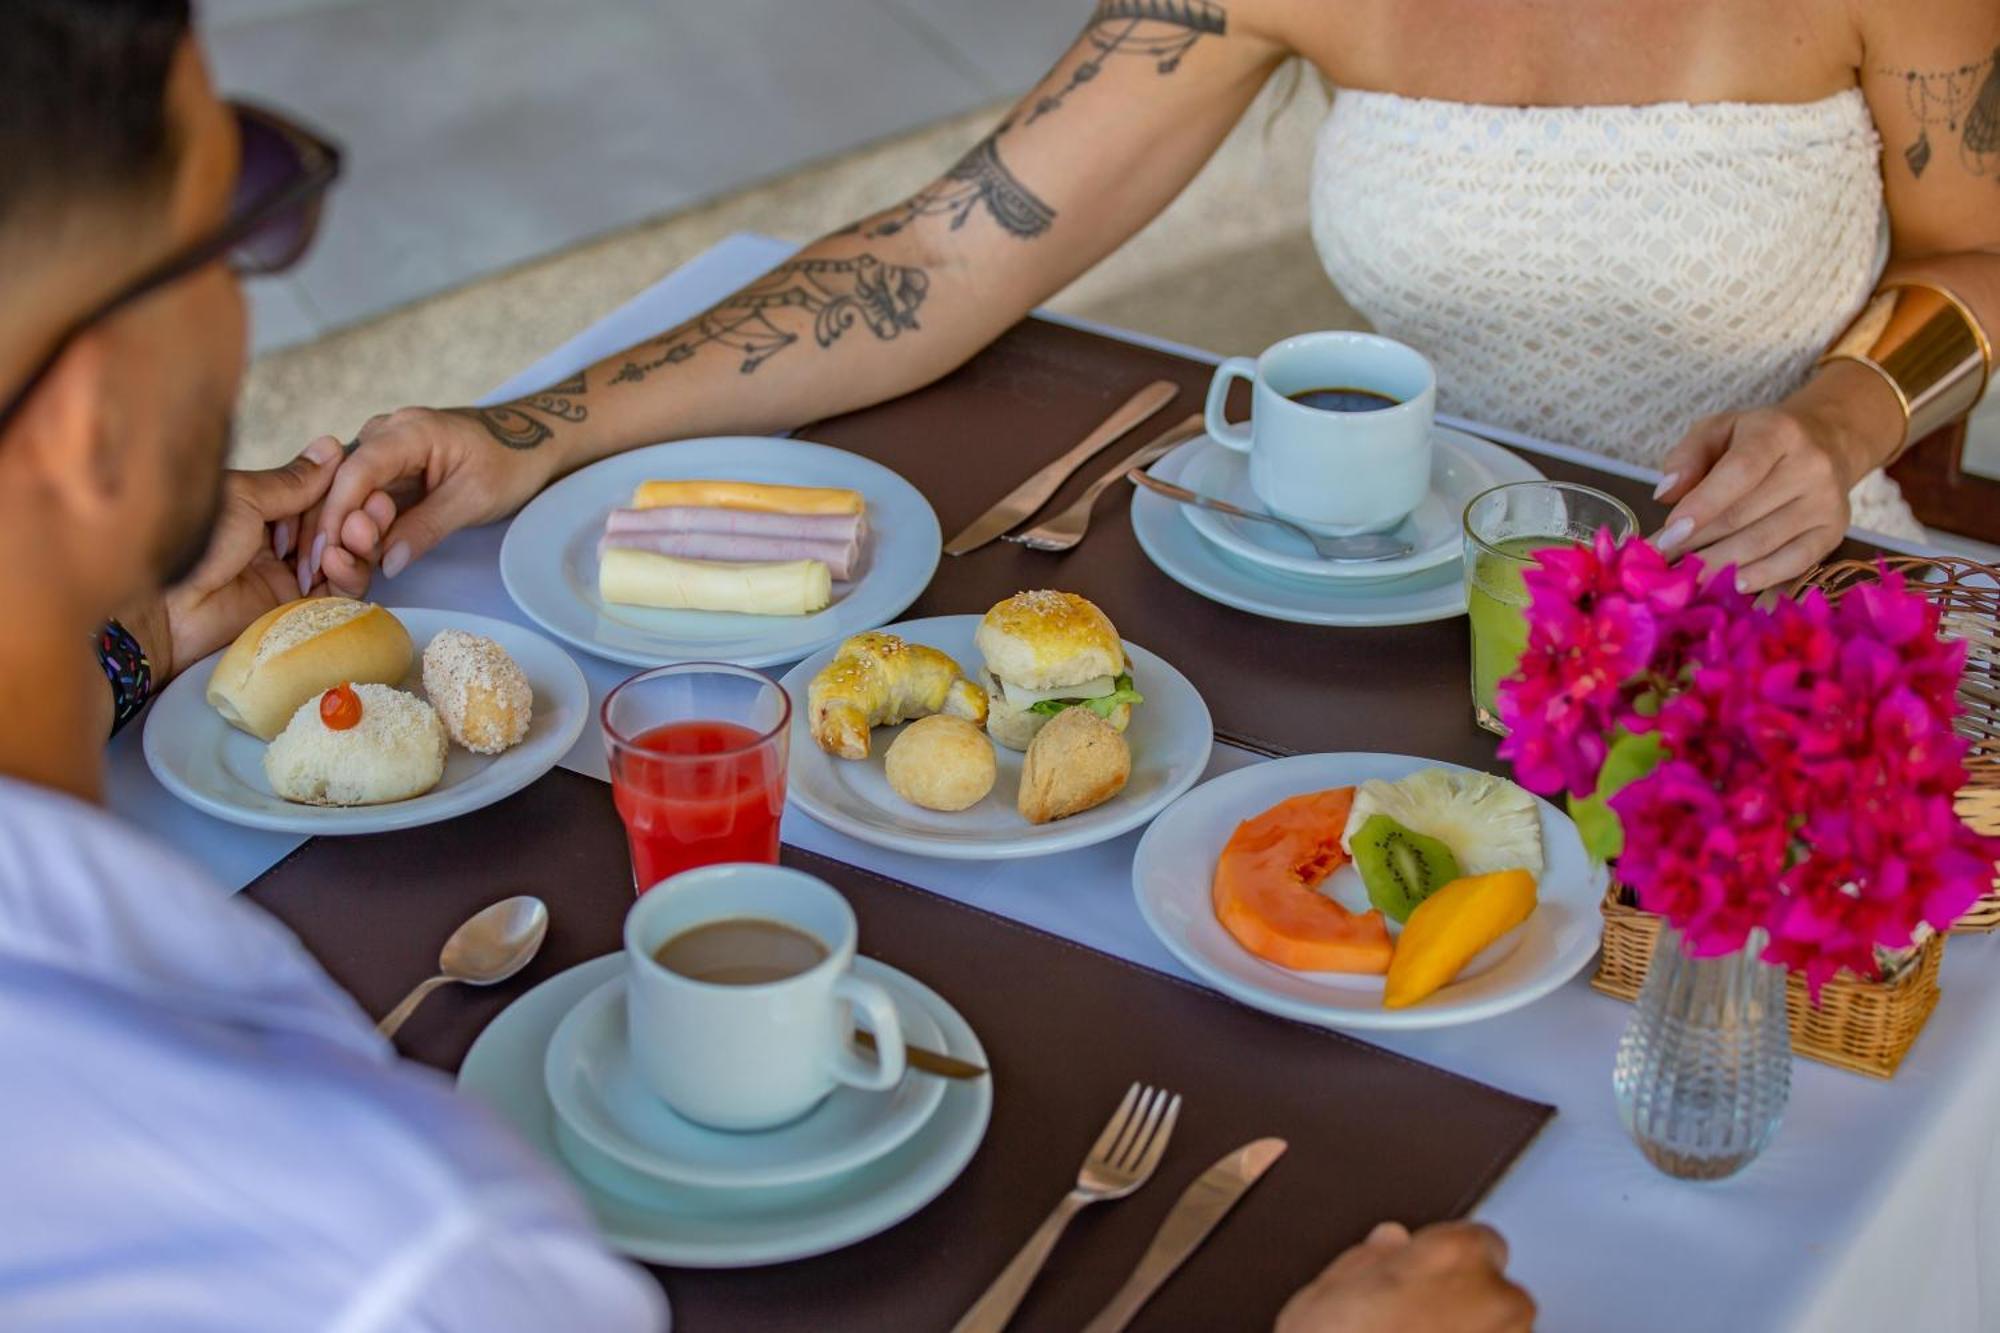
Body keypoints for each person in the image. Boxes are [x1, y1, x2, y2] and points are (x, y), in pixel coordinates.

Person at [0, 4, 1529, 1329]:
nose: (251, 296)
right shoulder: (400, 1249)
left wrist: (125, 640)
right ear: (83, 420)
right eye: (248, 216)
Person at [302, 0, 1996, 595]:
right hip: (1389, 586)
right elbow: (941, 254)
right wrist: (518, 431)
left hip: (1767, 587)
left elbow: (1979, 249)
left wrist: (1838, 416)